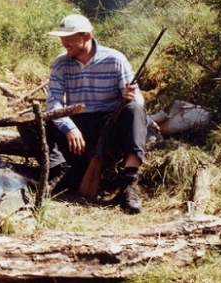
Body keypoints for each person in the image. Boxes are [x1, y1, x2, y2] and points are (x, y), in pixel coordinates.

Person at [18, 14, 147, 214]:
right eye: (62, 37)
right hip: (77, 121)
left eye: (68, 37)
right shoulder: (60, 64)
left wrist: (129, 96)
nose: (63, 42)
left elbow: (137, 99)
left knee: (135, 109)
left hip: (108, 123)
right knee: (27, 119)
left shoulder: (115, 59)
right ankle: (59, 171)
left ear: (85, 36)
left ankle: (129, 183)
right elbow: (53, 102)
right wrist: (69, 127)